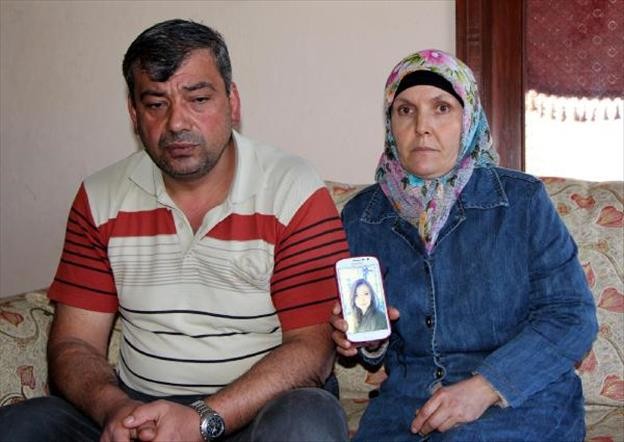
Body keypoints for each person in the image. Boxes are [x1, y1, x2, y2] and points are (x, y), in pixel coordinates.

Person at [0, 19, 350, 442]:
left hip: (255, 411)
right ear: (134, 114)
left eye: (198, 99)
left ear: (232, 101)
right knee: (22, 426)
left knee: (307, 421)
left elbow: (312, 348)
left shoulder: (292, 188)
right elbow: (75, 344)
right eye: (156, 104)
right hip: (140, 409)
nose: (177, 123)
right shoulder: (100, 197)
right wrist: (117, 410)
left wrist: (202, 419)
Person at [330, 49, 598, 441]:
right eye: (405, 111)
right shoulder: (362, 216)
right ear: (390, 124)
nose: (422, 127)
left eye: (441, 108)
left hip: (520, 398)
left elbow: (572, 316)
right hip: (408, 402)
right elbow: (377, 343)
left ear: (468, 119)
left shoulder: (521, 201)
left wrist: (486, 386)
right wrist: (369, 342)